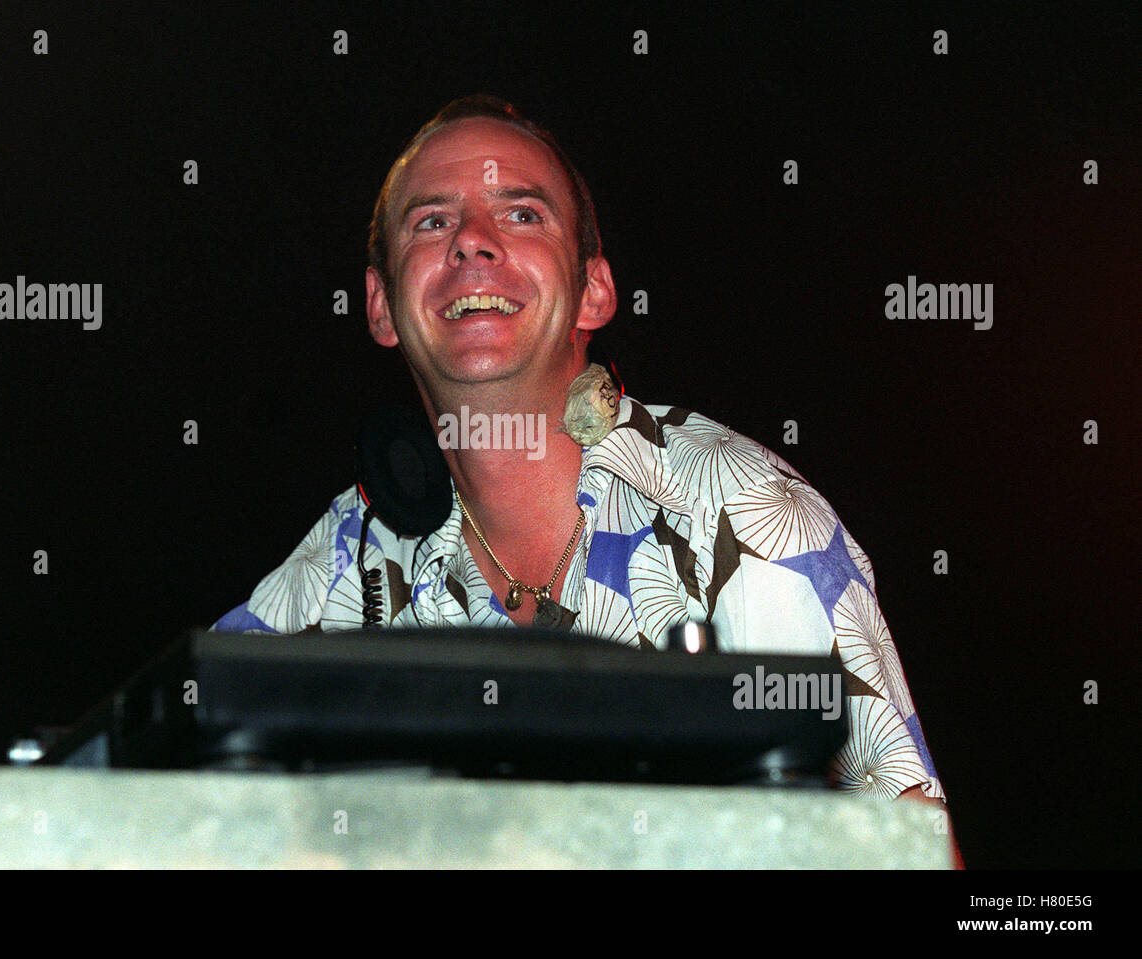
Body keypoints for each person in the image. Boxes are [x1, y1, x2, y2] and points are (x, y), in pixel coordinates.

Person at [212, 95, 958, 859]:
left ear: (595, 290)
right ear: (381, 306)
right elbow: (157, 770)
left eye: (523, 214)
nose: (472, 241)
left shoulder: (738, 510)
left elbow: (914, 852)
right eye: (432, 221)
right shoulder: (350, 553)